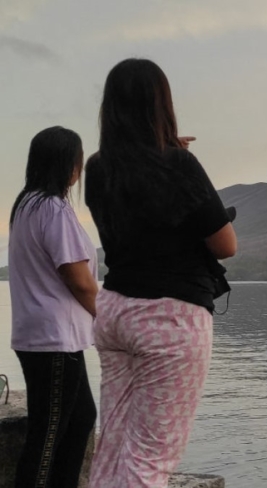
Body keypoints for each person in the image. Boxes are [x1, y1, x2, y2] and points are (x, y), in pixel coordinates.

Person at [84, 58, 236, 488]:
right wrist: (178, 162)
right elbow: (225, 245)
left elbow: (138, 214)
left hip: (114, 311)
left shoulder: (97, 168)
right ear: (161, 104)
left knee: (113, 445)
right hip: (170, 318)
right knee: (151, 458)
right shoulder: (180, 166)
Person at [8, 126, 99, 487]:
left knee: (80, 419)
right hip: (54, 338)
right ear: (69, 166)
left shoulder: (26, 205)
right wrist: (110, 318)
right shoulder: (54, 209)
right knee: (47, 437)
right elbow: (77, 278)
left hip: (44, 335)